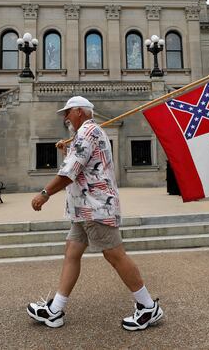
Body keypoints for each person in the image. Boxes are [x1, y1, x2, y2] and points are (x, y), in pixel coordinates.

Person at [26, 96, 164, 331]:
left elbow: (70, 173)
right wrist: (67, 150)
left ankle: (148, 306)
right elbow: (82, 165)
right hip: (83, 209)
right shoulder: (86, 134)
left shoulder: (88, 132)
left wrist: (44, 193)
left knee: (115, 255)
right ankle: (56, 310)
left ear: (80, 111)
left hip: (96, 208)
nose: (65, 117)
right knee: (72, 251)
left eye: (68, 112)